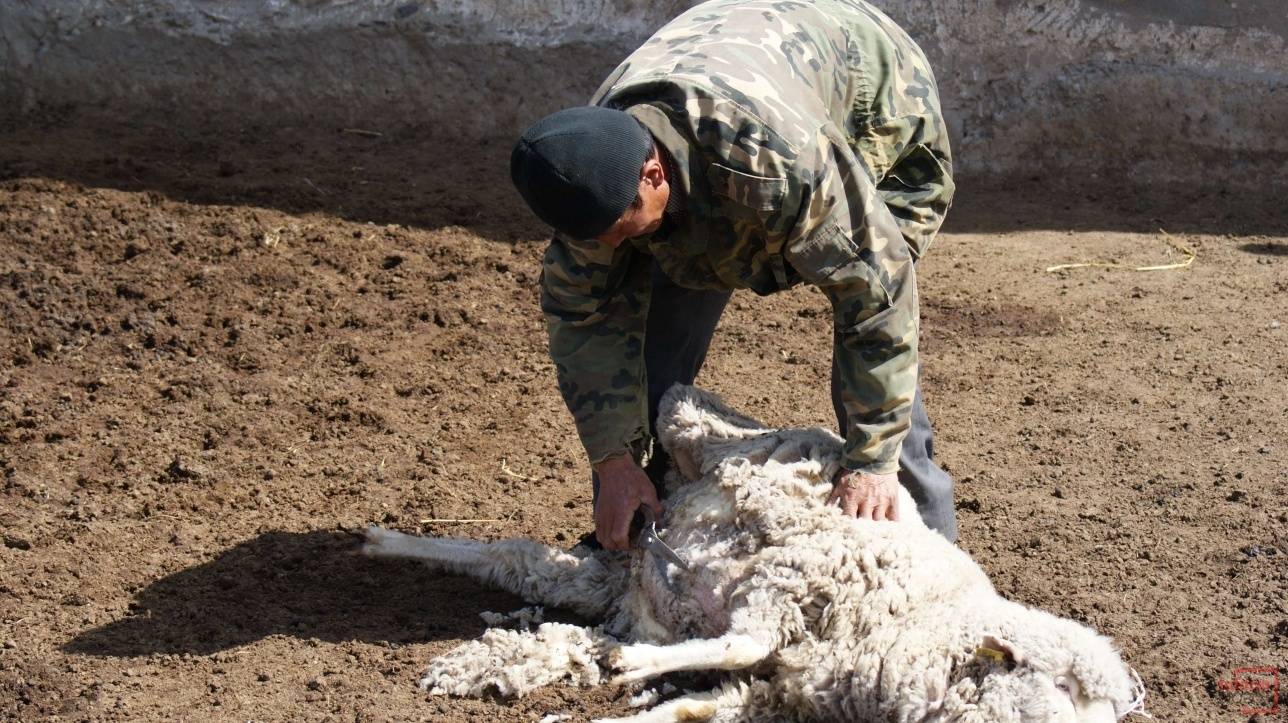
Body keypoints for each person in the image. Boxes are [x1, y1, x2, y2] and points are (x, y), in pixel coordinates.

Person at [509, 0, 957, 551]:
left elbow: (876, 299)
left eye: (621, 229)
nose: (609, 247)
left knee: (874, 381)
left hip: (871, 95)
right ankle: (643, 536)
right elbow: (584, 315)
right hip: (724, 93)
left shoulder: (777, 164)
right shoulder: (586, 172)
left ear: (653, 176)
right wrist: (613, 462)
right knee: (652, 352)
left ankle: (931, 547)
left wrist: (873, 462)